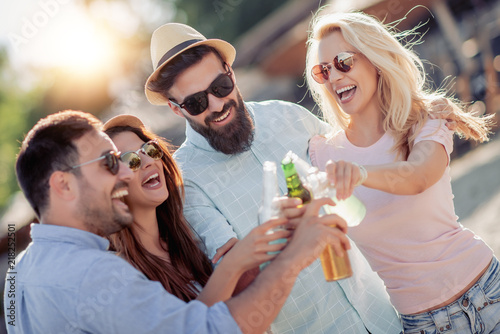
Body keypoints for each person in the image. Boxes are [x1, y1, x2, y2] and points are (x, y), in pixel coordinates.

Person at [145, 22, 403, 333]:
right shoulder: (186, 183)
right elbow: (238, 279)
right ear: (176, 109)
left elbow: (362, 164)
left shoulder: (288, 115)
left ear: (231, 72)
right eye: (196, 103)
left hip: (383, 313)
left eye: (220, 87)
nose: (216, 104)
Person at [5, 110, 352, 334]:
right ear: (63, 185)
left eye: (148, 151)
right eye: (110, 162)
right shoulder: (94, 274)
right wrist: (293, 261)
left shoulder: (21, 272)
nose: (125, 172)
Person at [305, 10, 500, 333]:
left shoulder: (425, 119)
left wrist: (361, 173)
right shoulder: (321, 155)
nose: (335, 77)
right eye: (323, 71)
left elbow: (419, 175)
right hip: (423, 323)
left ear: (374, 61)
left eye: (343, 61)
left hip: (488, 290)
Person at [102, 114, 298, 304]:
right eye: (130, 160)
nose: (148, 162)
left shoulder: (189, 239)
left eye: (149, 149)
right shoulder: (119, 272)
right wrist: (233, 265)